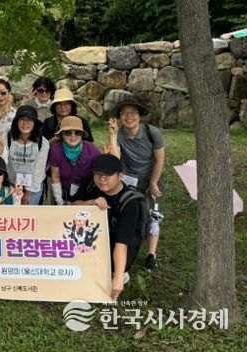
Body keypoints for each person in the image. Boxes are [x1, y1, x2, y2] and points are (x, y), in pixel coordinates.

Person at [72, 154, 143, 300]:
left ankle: (121, 272)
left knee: (113, 274)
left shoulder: (129, 203)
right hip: (94, 237)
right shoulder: (91, 184)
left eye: (107, 175)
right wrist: (91, 202)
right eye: (98, 174)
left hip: (118, 241)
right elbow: (73, 205)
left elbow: (122, 244)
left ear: (120, 176)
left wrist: (118, 277)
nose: (101, 179)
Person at [108, 96, 165, 270]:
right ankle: (127, 245)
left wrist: (153, 182)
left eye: (133, 113)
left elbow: (159, 160)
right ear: (120, 117)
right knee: (134, 213)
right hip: (129, 179)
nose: (129, 117)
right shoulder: (119, 134)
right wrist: (113, 135)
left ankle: (151, 254)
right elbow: (115, 160)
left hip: (152, 176)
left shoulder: (152, 133)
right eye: (124, 113)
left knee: (154, 215)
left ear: (139, 116)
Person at [47, 116, 100, 205]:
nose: (73, 136)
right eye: (68, 133)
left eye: (77, 132)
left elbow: (99, 172)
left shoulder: (92, 149)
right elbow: (55, 176)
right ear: (62, 134)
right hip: (64, 190)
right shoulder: (55, 150)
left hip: (87, 192)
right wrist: (59, 200)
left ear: (82, 134)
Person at [5, 105, 50, 205]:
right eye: (22, 119)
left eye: (29, 120)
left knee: (29, 212)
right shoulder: (7, 138)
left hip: (34, 186)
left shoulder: (43, 142)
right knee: (12, 213)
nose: (25, 123)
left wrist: (29, 192)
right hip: (11, 184)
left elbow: (39, 169)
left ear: (35, 123)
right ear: (16, 122)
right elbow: (2, 159)